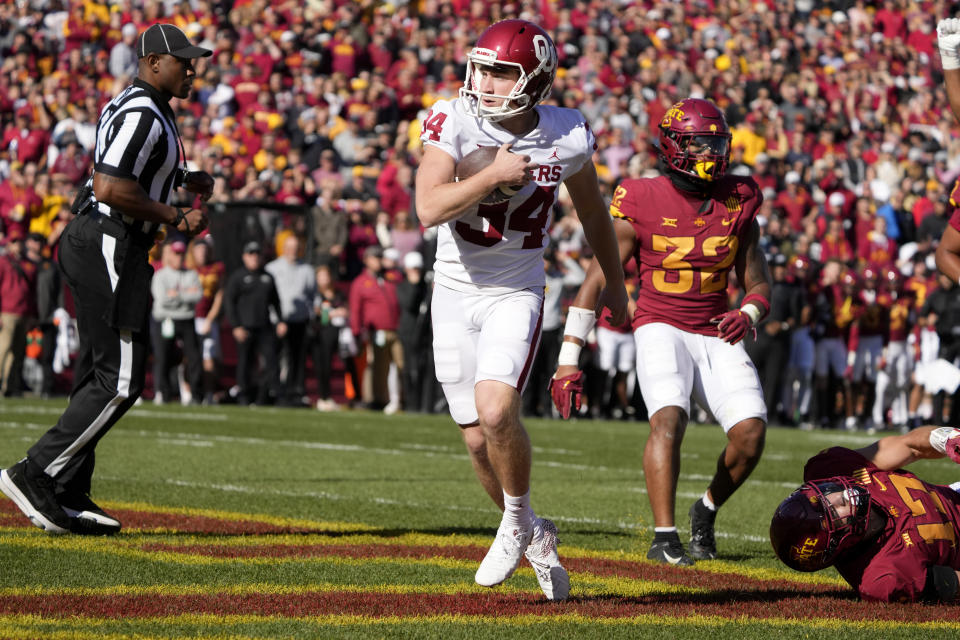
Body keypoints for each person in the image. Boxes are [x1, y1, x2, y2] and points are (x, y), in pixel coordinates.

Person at [415, 19, 628, 601]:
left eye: (501, 71)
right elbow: (428, 207)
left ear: (534, 80)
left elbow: (593, 215)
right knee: (479, 440)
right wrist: (492, 176)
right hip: (453, 291)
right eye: (480, 67)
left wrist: (615, 284)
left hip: (515, 289)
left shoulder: (567, 134)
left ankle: (513, 523)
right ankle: (533, 531)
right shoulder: (449, 118)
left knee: (497, 408)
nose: (483, 81)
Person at [0, 23, 211, 535]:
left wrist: (181, 179)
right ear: (152, 62)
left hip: (97, 237)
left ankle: (68, 489)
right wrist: (175, 215)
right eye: (182, 60)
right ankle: (36, 474)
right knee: (120, 379)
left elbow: (126, 166)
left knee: (98, 371)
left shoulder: (138, 104)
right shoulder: (145, 110)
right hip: (110, 238)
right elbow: (112, 186)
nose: (191, 69)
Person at [550, 98, 772, 566]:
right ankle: (665, 536)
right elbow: (598, 275)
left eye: (716, 142)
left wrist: (749, 313)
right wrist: (569, 356)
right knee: (668, 420)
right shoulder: (642, 196)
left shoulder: (741, 197)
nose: (710, 153)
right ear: (673, 146)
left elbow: (757, 279)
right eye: (698, 143)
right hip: (660, 323)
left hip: (715, 329)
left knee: (750, 436)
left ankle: (706, 509)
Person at [770, 425, 960, 603]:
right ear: (838, 543)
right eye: (834, 512)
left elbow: (909, 445)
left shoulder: (831, 470)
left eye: (825, 495)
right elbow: (952, 582)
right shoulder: (884, 577)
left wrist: (945, 438)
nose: (839, 497)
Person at [224, 240, 286, 406]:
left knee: (271, 361)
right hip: (245, 327)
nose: (255, 258)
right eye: (251, 254)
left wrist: (280, 320)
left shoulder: (267, 277)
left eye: (257, 254)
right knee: (245, 362)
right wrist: (236, 326)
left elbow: (276, 302)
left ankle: (270, 394)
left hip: (264, 326)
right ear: (245, 257)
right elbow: (229, 303)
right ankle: (244, 394)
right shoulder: (238, 277)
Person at [150, 238, 203, 405]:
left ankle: (196, 394)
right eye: (176, 254)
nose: (179, 257)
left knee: (194, 357)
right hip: (165, 319)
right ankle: (163, 393)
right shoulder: (160, 275)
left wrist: (177, 294)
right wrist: (186, 294)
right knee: (163, 356)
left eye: (182, 254)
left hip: (186, 319)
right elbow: (162, 298)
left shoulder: (191, 274)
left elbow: (197, 296)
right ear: (170, 255)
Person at [265, 234, 316, 406]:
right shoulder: (272, 268)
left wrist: (313, 314)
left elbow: (312, 295)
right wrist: (277, 320)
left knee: (297, 358)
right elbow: (268, 296)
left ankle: (296, 391)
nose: (293, 251)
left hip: (299, 320)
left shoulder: (307, 270)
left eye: (296, 247)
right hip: (278, 320)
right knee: (275, 357)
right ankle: (275, 391)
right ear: (283, 248)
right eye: (290, 247)